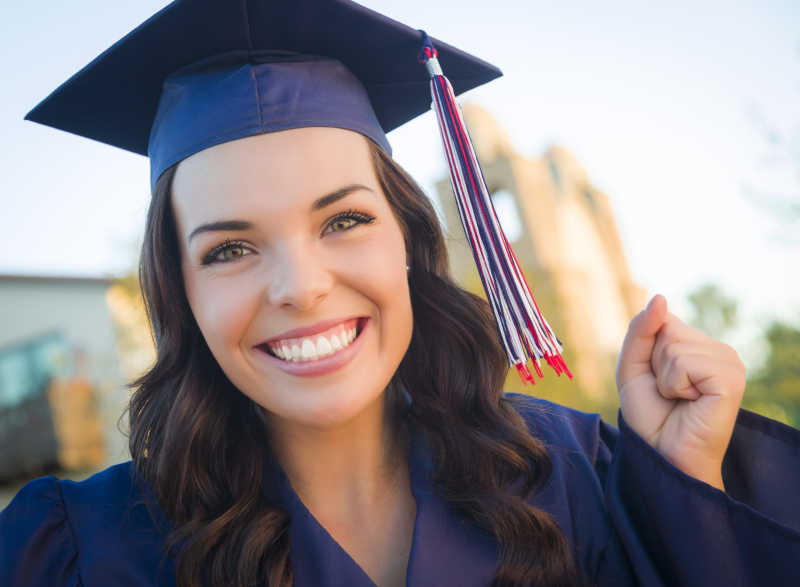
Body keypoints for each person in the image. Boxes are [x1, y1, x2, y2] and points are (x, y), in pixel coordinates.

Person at [2, 1, 800, 585]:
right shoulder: (81, 550)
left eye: (343, 219)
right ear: (180, 292)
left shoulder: (575, 477)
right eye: (231, 248)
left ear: (411, 242)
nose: (303, 287)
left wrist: (687, 486)